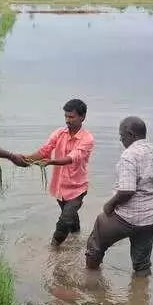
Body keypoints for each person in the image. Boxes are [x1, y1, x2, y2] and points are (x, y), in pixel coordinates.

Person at [85, 117, 153, 277]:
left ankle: (92, 282)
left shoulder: (129, 155)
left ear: (130, 134)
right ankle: (140, 295)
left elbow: (127, 191)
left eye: (122, 137)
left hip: (125, 218)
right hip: (151, 221)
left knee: (95, 244)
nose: (122, 141)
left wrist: (110, 205)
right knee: (142, 264)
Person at [25, 99, 94, 246]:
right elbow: (45, 150)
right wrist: (26, 158)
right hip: (60, 187)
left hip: (77, 188)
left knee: (64, 221)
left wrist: (51, 162)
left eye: (71, 117)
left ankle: (54, 249)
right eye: (66, 116)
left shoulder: (87, 139)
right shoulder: (59, 133)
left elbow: (72, 158)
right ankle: (76, 242)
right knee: (71, 219)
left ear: (82, 117)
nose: (67, 120)